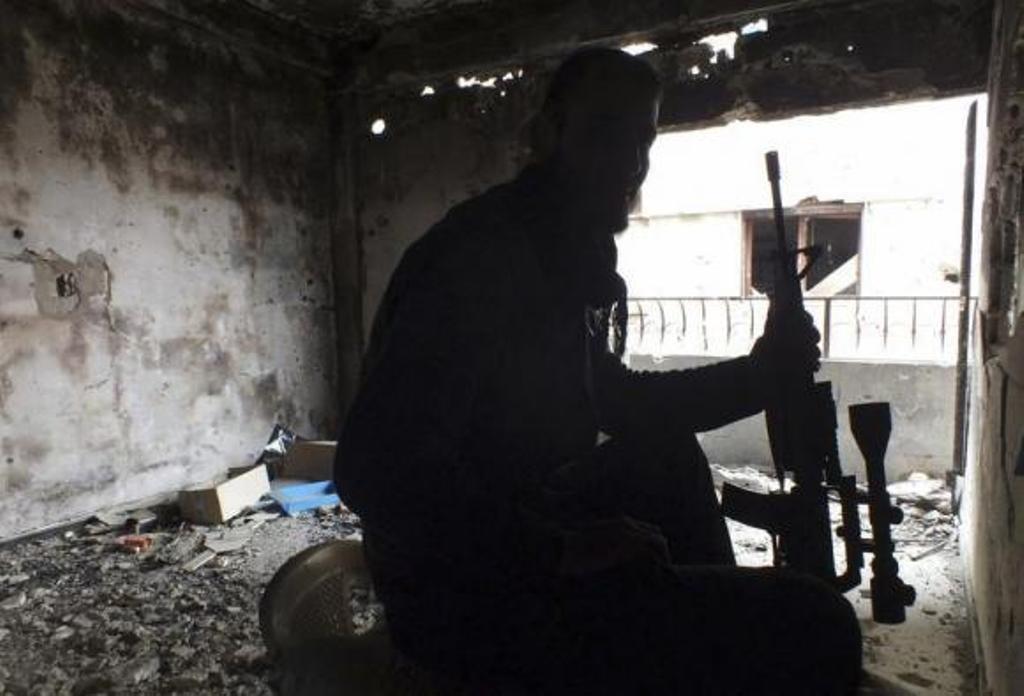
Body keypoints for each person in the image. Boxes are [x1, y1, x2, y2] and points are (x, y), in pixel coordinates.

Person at [335, 48, 862, 695]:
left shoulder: (560, 254)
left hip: (528, 518)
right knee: (823, 627)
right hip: (464, 605)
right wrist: (559, 549)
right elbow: (372, 472)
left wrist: (759, 375)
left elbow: (622, 405)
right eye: (608, 132)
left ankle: (690, 637)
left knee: (667, 458)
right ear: (550, 133)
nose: (633, 162)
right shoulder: (479, 261)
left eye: (644, 140)